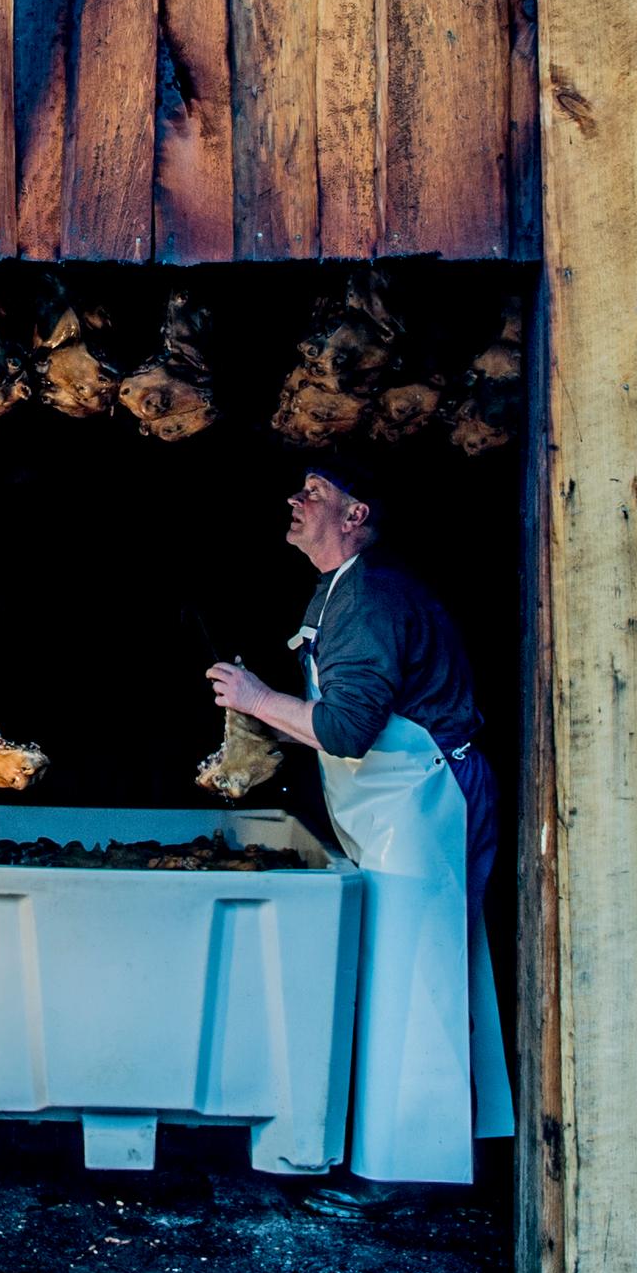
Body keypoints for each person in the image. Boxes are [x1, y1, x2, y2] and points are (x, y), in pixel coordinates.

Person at [203, 454, 511, 1207]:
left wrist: (257, 695)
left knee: (420, 977)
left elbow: (345, 728)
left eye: (317, 492)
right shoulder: (337, 591)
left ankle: (413, 1174)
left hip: (426, 802)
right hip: (400, 807)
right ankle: (442, 1151)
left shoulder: (369, 596)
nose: (296, 499)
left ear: (356, 515)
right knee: (424, 969)